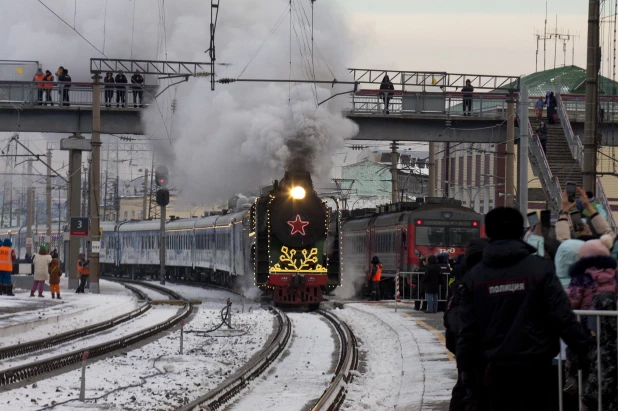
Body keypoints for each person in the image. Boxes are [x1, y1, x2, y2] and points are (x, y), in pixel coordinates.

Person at [456, 207, 591, 411]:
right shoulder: (540, 269)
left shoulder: (475, 277)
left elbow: (467, 330)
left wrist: (466, 370)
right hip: (536, 367)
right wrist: (584, 350)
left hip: (493, 371)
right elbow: (562, 318)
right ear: (520, 232)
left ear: (488, 233)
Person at [444, 238, 488, 411]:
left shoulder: (461, 285)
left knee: (465, 393)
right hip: (484, 351)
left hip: (467, 351)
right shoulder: (472, 283)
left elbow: (451, 320)